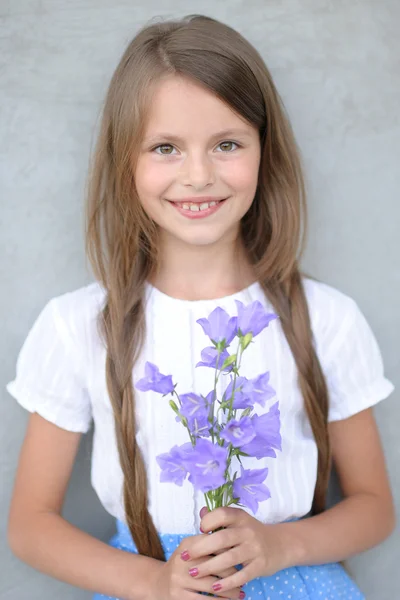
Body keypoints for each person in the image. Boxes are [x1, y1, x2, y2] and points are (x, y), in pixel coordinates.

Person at [6, 14, 395, 600]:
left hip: (299, 580)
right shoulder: (75, 327)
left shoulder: (327, 320)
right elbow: (30, 526)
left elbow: (373, 507)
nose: (198, 175)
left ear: (265, 151)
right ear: (125, 163)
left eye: (227, 144)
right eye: (165, 147)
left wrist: (280, 546)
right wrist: (154, 583)